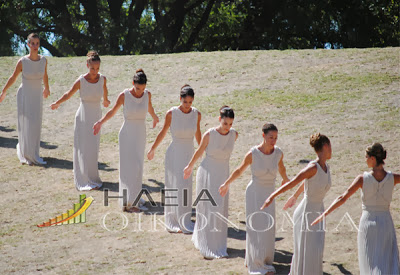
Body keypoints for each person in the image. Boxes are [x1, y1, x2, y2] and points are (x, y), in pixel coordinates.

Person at [311, 143, 400, 275]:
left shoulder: (362, 179)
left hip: (368, 223)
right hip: (385, 222)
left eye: (366, 157)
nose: (365, 159)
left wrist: (324, 214)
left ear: (373, 159)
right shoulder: (394, 178)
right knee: (386, 260)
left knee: (369, 261)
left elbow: (342, 198)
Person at [219, 123, 289, 274]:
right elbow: (239, 170)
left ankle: (263, 258)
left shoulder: (278, 153)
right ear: (263, 136)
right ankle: (256, 263)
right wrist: (226, 183)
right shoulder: (253, 154)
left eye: (276, 138)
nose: (273, 140)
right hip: (255, 193)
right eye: (271, 137)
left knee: (268, 228)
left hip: (270, 193)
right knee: (257, 227)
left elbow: (281, 168)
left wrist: (286, 180)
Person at [261, 133, 332, 275]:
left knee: (316, 249)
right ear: (325, 146)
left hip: (318, 211)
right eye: (330, 146)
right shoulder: (312, 168)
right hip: (307, 212)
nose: (331, 149)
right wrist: (272, 196)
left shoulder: (326, 167)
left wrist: (295, 196)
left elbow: (309, 183)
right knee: (308, 249)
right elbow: (293, 182)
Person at [93, 69, 159, 212]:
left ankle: (134, 198)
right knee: (128, 168)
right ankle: (129, 203)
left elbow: (150, 108)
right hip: (127, 134)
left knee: (138, 167)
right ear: (132, 83)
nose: (140, 91)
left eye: (143, 88)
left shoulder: (147, 95)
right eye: (137, 88)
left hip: (140, 134)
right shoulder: (124, 95)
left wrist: (155, 117)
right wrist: (100, 122)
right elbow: (112, 111)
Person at [50, 51, 110, 191]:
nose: (95, 71)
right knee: (83, 147)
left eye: (97, 68)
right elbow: (68, 94)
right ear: (87, 65)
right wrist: (57, 103)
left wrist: (106, 100)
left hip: (96, 116)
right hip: (83, 117)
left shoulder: (103, 79)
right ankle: (83, 179)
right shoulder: (81, 80)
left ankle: (93, 177)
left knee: (93, 148)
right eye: (92, 68)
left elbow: (105, 91)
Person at [183, 106, 238, 259]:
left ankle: (218, 243)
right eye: (225, 123)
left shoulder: (234, 135)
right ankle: (206, 242)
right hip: (207, 173)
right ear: (220, 120)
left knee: (220, 207)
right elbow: (199, 151)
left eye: (231, 124)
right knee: (208, 206)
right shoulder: (209, 134)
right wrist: (189, 166)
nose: (228, 127)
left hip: (223, 174)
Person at [147, 85, 201, 233]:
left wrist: (203, 150)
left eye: (190, 102)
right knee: (174, 186)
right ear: (180, 99)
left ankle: (184, 219)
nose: (187, 105)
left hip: (188, 153)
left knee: (185, 186)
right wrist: (153, 148)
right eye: (185, 102)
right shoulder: (171, 113)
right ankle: (173, 220)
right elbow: (163, 132)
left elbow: (198, 134)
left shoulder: (197, 114)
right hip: (174, 153)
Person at [0, 33, 50, 165]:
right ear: (28, 44)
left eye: (37, 43)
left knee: (35, 123)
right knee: (26, 123)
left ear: (39, 45)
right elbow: (13, 77)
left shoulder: (44, 60)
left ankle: (33, 152)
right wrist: (4, 91)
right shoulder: (22, 61)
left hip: (37, 95)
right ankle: (25, 153)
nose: (34, 46)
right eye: (32, 43)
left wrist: (47, 88)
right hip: (24, 95)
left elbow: (45, 75)